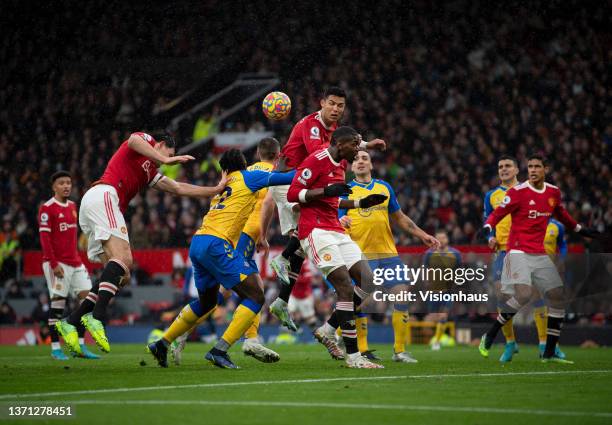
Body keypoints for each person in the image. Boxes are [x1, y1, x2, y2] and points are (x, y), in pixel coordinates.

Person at [56, 131, 227, 355]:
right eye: (170, 153)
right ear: (161, 145)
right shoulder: (145, 142)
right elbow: (133, 140)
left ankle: (73, 320)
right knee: (124, 259)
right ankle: (97, 317)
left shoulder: (150, 171)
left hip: (96, 205)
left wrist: (214, 190)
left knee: (122, 275)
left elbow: (177, 188)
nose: (169, 159)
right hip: (105, 195)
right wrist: (165, 159)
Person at [147, 149, 295, 369]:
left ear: (224, 169)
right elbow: (289, 177)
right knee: (255, 296)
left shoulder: (221, 188)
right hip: (217, 244)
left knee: (208, 301)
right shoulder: (248, 176)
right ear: (243, 165)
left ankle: (162, 342)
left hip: (198, 243)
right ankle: (220, 350)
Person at [268, 86, 386, 331]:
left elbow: (344, 142)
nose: (335, 109)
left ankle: (281, 299)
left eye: (340, 106)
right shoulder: (311, 126)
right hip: (286, 180)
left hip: (300, 179)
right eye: (331, 103)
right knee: (304, 231)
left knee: (301, 241)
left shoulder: (332, 128)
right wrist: (332, 193)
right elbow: (321, 157)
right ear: (321, 103)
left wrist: (367, 144)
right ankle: (281, 259)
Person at [478, 154, 600, 363]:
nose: (533, 170)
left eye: (537, 167)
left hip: (538, 251)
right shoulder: (515, 192)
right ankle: (495, 336)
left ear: (546, 169)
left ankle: (549, 350)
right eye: (530, 167)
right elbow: (497, 213)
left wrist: (581, 229)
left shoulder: (553, 192)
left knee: (556, 296)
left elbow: (561, 213)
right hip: (515, 250)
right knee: (522, 294)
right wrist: (489, 229)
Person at [286, 126, 389, 368]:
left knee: (367, 280)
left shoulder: (341, 164)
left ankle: (328, 328)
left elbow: (333, 199)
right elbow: (293, 194)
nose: (358, 149)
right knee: (344, 285)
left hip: (335, 228)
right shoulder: (318, 159)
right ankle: (354, 356)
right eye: (355, 145)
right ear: (341, 144)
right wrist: (324, 190)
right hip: (315, 230)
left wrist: (360, 202)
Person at [338, 150, 439, 362]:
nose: (361, 162)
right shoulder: (345, 191)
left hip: (388, 253)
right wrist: (342, 222)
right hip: (360, 254)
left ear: (372, 164)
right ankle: (352, 341)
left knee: (402, 294)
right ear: (351, 167)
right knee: (359, 301)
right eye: (356, 159)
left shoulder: (384, 187)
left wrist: (423, 235)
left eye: (365, 158)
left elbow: (400, 218)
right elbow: (337, 220)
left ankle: (400, 351)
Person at [484, 155, 564, 362]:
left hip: (528, 249)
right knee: (502, 297)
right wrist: (490, 236)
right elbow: (488, 219)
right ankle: (510, 344)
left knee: (537, 295)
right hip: (504, 251)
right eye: (500, 166)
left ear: (517, 169)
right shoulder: (491, 195)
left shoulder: (528, 189)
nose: (504, 169)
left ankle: (545, 344)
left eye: (508, 166)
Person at [38, 170, 99, 360]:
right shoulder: (47, 208)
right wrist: (54, 263)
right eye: (62, 183)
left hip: (75, 262)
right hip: (57, 264)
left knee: (88, 302)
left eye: (68, 183)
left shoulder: (73, 206)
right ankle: (56, 348)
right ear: (54, 186)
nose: (66, 186)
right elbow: (45, 239)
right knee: (58, 306)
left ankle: (80, 347)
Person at [423, 231, 461, 351]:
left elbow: (460, 271)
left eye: (443, 237)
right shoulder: (429, 254)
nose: (441, 240)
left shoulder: (455, 254)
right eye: (438, 238)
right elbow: (424, 270)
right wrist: (427, 284)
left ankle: (437, 341)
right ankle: (433, 338)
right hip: (433, 291)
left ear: (447, 239)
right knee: (433, 317)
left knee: (443, 315)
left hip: (448, 290)